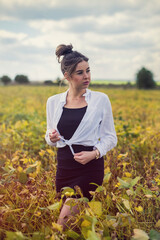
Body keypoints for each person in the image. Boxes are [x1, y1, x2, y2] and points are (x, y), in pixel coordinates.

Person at [45, 44, 117, 229]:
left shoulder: (101, 100)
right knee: (74, 226)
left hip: (89, 167)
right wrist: (51, 137)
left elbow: (111, 137)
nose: (86, 76)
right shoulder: (53, 102)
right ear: (67, 76)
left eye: (88, 71)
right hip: (64, 167)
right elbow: (49, 135)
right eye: (80, 72)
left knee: (63, 224)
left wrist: (93, 154)